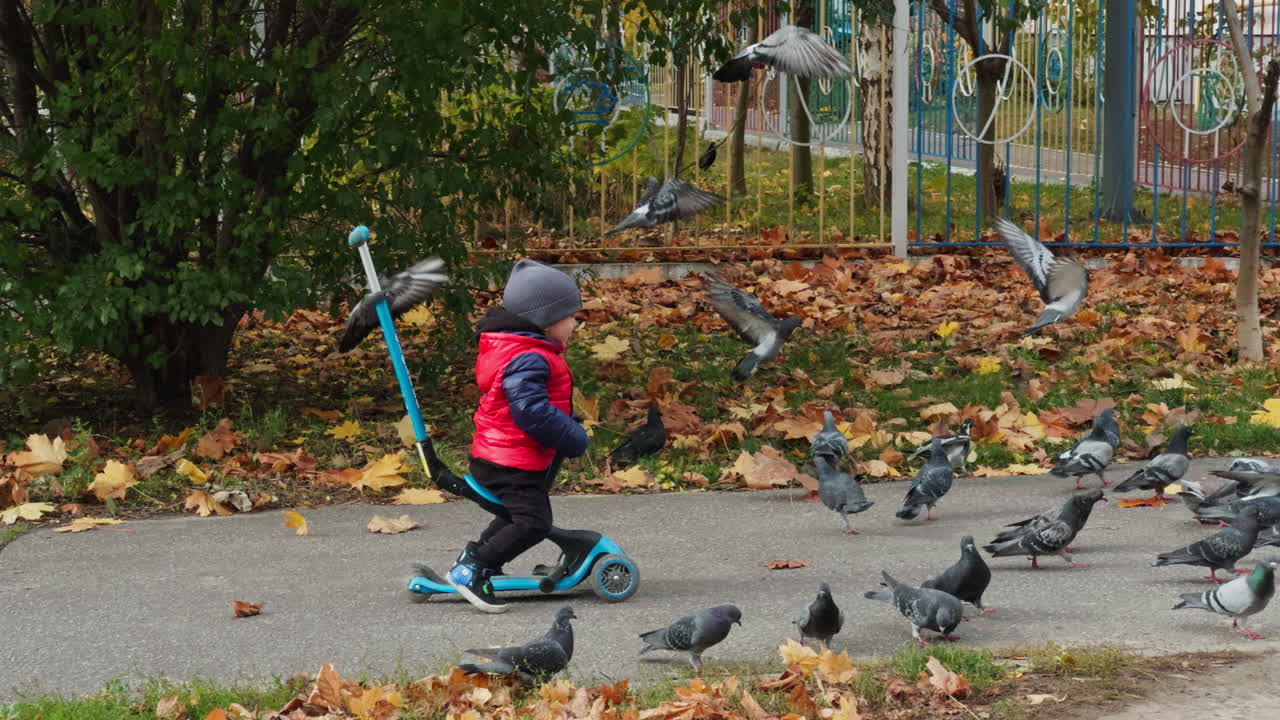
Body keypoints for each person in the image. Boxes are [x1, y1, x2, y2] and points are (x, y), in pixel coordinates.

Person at [447, 259, 589, 613]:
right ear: (546, 319)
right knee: (533, 522)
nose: (575, 322)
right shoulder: (529, 356)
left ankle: (476, 556)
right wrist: (572, 435)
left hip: (503, 456)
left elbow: (532, 405)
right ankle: (473, 569)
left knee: (515, 515)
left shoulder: (522, 350)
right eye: (570, 315)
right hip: (510, 462)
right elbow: (531, 411)